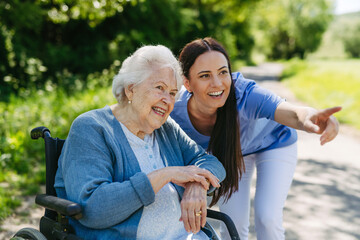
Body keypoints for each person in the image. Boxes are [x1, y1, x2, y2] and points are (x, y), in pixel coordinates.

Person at [170, 37, 341, 240]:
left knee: (267, 217)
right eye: (205, 75)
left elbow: (293, 113)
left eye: (223, 72)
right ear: (187, 83)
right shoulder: (175, 112)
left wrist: (312, 117)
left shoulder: (244, 94)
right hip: (232, 152)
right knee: (233, 222)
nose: (217, 83)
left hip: (274, 144)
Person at [54, 44, 226, 240]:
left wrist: (197, 185)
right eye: (159, 88)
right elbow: (93, 208)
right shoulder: (92, 129)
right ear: (130, 90)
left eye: (172, 93)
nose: (167, 100)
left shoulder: (166, 128)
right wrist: (164, 175)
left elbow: (211, 163)